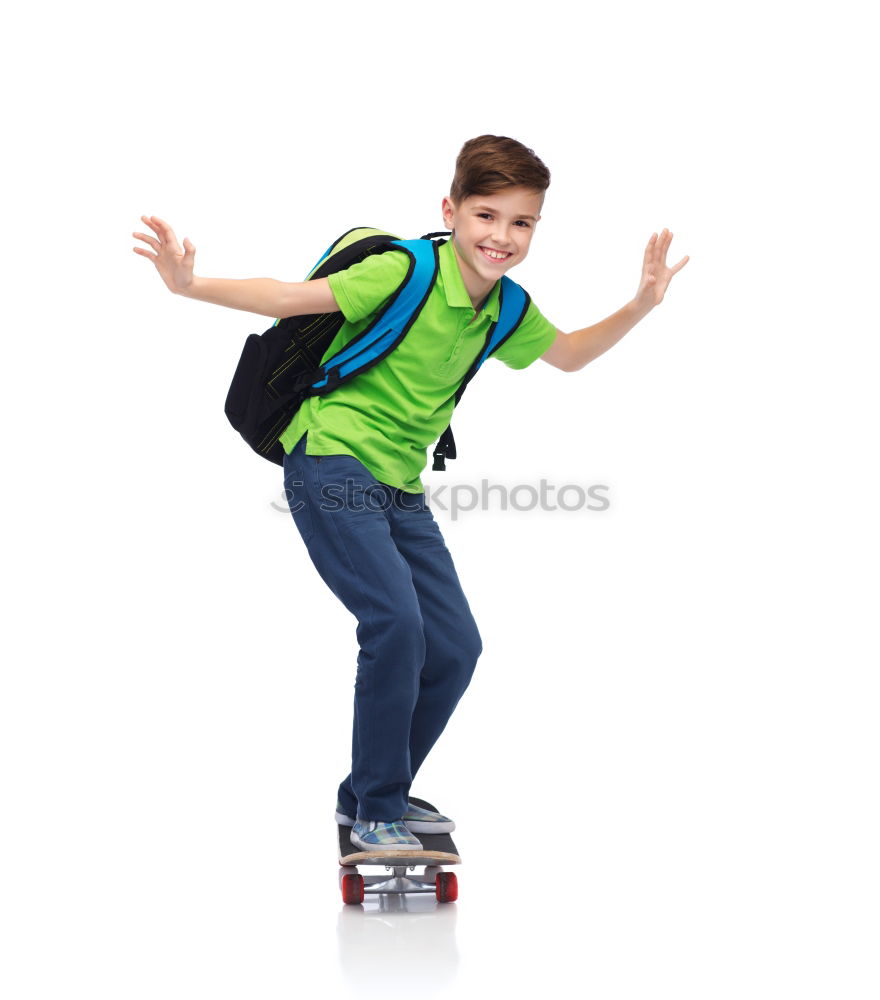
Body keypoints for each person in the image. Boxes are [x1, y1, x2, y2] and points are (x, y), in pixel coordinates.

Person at [132, 134, 689, 852]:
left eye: (522, 222)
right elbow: (289, 298)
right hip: (330, 458)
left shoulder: (508, 309)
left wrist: (642, 302)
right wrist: (189, 286)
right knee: (396, 625)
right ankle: (378, 811)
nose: (502, 236)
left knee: (455, 647)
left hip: (399, 483)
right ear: (451, 210)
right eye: (487, 215)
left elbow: (572, 355)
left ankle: (367, 794)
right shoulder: (404, 271)